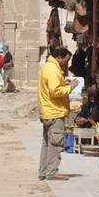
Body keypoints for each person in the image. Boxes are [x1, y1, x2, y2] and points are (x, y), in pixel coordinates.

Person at [37, 47, 79, 180]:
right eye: (66, 60)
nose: (66, 63)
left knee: (47, 143)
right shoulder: (53, 69)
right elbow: (54, 92)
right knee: (55, 143)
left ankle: (43, 171)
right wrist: (70, 87)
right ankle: (52, 172)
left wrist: (63, 83)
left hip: (48, 111)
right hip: (54, 111)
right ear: (60, 57)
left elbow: (53, 86)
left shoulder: (47, 67)